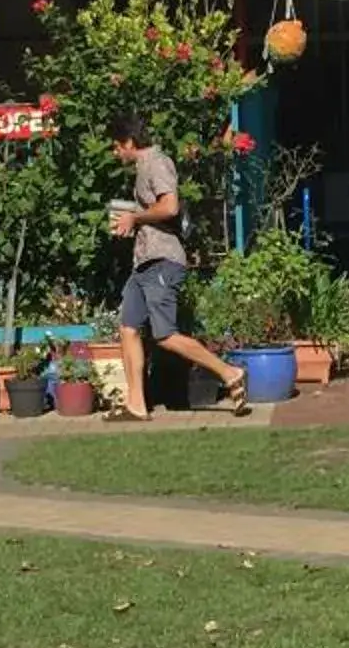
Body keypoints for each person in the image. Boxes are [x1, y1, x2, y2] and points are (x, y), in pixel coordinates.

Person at [107, 111, 250, 419]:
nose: (115, 153)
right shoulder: (143, 166)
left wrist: (136, 217)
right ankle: (136, 405)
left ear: (130, 142)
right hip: (144, 262)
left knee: (165, 335)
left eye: (116, 147)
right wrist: (131, 217)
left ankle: (230, 373)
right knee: (128, 328)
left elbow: (169, 206)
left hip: (162, 260)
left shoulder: (157, 163)